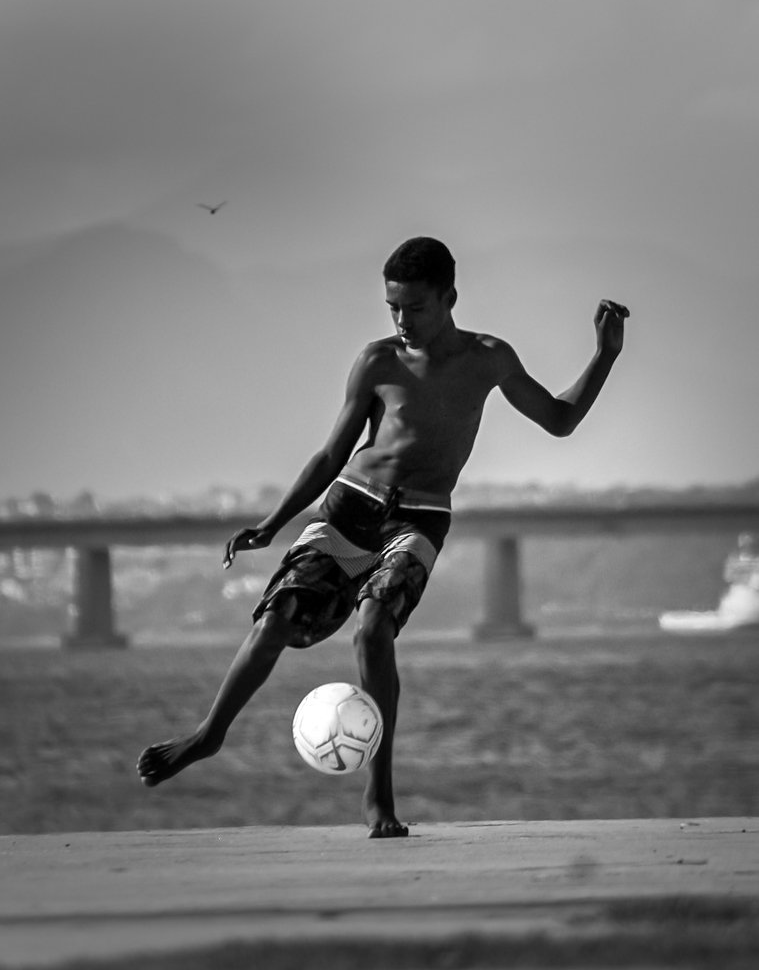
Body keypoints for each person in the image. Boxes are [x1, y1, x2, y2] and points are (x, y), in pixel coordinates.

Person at [137, 236, 630, 837]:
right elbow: (330, 454)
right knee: (277, 617)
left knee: (374, 627)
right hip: (350, 507)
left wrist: (603, 356)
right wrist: (272, 524)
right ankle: (209, 735)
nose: (402, 321)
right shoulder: (377, 361)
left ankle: (380, 797)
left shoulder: (489, 357)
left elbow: (559, 420)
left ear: (450, 297)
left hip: (419, 520)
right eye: (392, 307)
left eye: (415, 307)